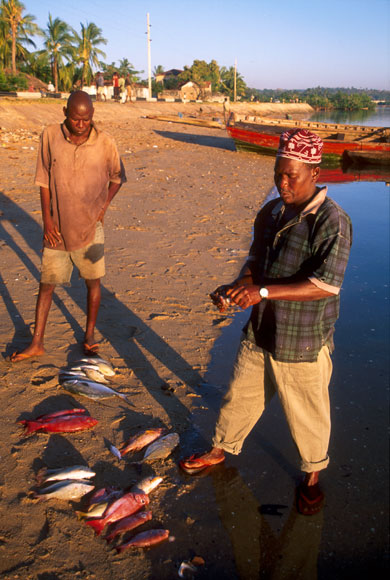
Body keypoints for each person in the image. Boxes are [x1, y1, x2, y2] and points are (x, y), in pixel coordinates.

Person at [180, 129, 353, 516]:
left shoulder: (332, 221)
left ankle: (311, 477)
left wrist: (261, 293)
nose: (283, 183)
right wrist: (237, 287)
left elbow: (325, 285)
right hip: (261, 330)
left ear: (314, 171)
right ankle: (219, 448)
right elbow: (255, 264)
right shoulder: (271, 212)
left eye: (292, 175)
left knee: (307, 414)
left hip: (303, 340)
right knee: (240, 395)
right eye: (278, 173)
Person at [10, 90, 126, 362]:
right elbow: (43, 179)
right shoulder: (50, 136)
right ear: (65, 113)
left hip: (90, 229)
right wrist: (47, 219)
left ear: (93, 115)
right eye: (76, 119)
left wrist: (103, 206)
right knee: (47, 284)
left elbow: (118, 178)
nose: (82, 124)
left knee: (93, 283)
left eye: (86, 119)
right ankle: (37, 341)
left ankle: (89, 335)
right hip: (57, 229)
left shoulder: (106, 142)